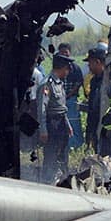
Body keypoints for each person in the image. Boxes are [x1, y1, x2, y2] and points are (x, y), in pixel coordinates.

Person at [38, 54, 74, 184]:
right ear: (62, 68)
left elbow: (62, 107)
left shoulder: (59, 83)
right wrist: (43, 130)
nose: (68, 72)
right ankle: (47, 181)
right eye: (67, 68)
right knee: (51, 155)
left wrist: (67, 125)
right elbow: (42, 109)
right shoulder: (47, 84)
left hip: (61, 123)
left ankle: (63, 180)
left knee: (63, 155)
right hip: (51, 123)